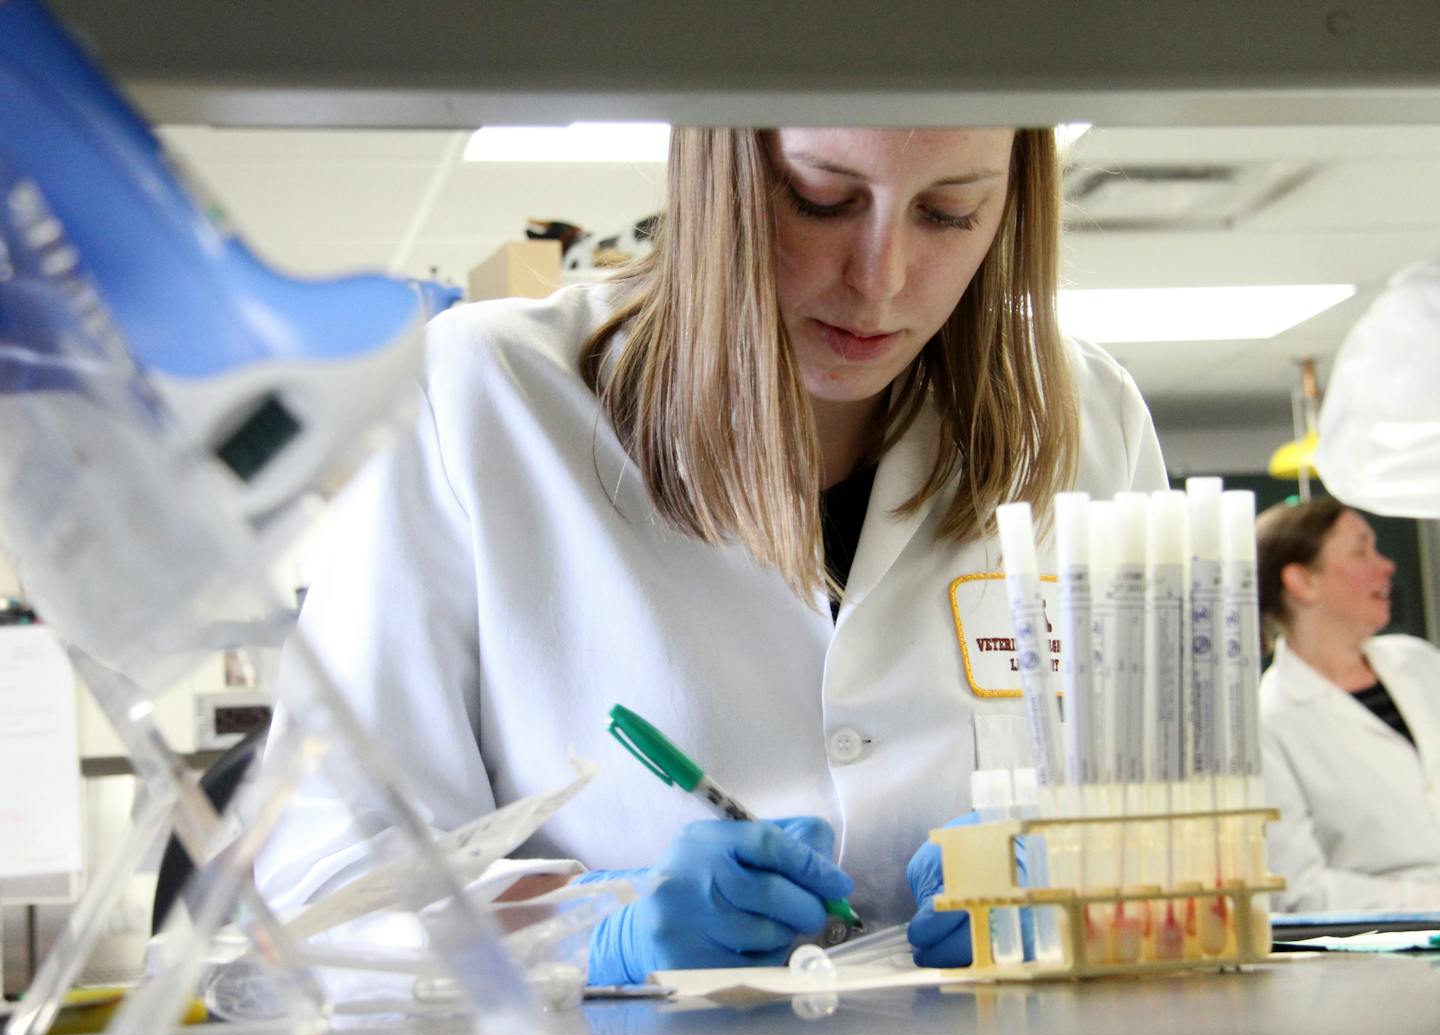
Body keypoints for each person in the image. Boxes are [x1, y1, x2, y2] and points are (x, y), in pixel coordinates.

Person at [254, 127, 1166, 983]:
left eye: (948, 213)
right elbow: (326, 892)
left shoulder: (1087, 417)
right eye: (820, 201)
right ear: (719, 179)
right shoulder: (477, 398)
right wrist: (594, 939)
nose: (881, 279)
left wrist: (1096, 875)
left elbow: (1188, 827)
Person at [1256, 497, 1440, 911]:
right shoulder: (1270, 721)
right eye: (1361, 551)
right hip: (1383, 953)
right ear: (1303, 582)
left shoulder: (1418, 663)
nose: (1386, 565)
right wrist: (1426, 901)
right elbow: (1298, 890)